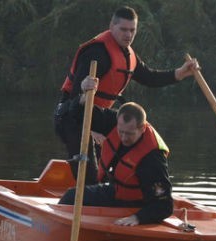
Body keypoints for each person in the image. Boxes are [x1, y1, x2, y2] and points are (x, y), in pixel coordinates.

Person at [53, 6, 199, 185]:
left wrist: (180, 73)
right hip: (71, 116)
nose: (128, 35)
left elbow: (149, 77)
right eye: (123, 29)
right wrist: (92, 130)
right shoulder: (97, 53)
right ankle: (86, 198)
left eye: (132, 30)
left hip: (96, 115)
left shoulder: (127, 53)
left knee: (136, 127)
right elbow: (76, 99)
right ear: (111, 27)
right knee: (90, 177)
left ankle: (141, 188)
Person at [59, 102, 172, 226]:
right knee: (71, 196)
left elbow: (165, 205)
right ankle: (62, 230)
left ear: (142, 128)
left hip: (137, 203)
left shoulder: (153, 157)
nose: (124, 138)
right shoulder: (113, 121)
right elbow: (79, 113)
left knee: (74, 197)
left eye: (129, 134)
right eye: (121, 132)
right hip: (116, 192)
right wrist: (83, 97)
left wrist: (137, 218)